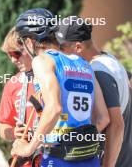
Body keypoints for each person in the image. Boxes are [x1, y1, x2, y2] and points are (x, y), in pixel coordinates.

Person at [11, 8, 109, 167]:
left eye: (22, 42)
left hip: (59, 158)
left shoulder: (42, 60)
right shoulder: (84, 64)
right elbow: (103, 118)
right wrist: (79, 143)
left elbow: (54, 108)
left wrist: (29, 148)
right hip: (90, 159)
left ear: (29, 40)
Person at [55, 16, 132, 167]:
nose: (60, 54)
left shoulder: (98, 71)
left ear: (78, 47)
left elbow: (117, 124)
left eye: (62, 48)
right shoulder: (109, 59)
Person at [0, 27, 38, 166]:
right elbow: (3, 128)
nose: (13, 60)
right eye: (9, 55)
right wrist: (14, 132)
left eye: (16, 53)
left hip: (52, 157)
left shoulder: (54, 77)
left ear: (30, 46)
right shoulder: (12, 83)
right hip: (24, 161)